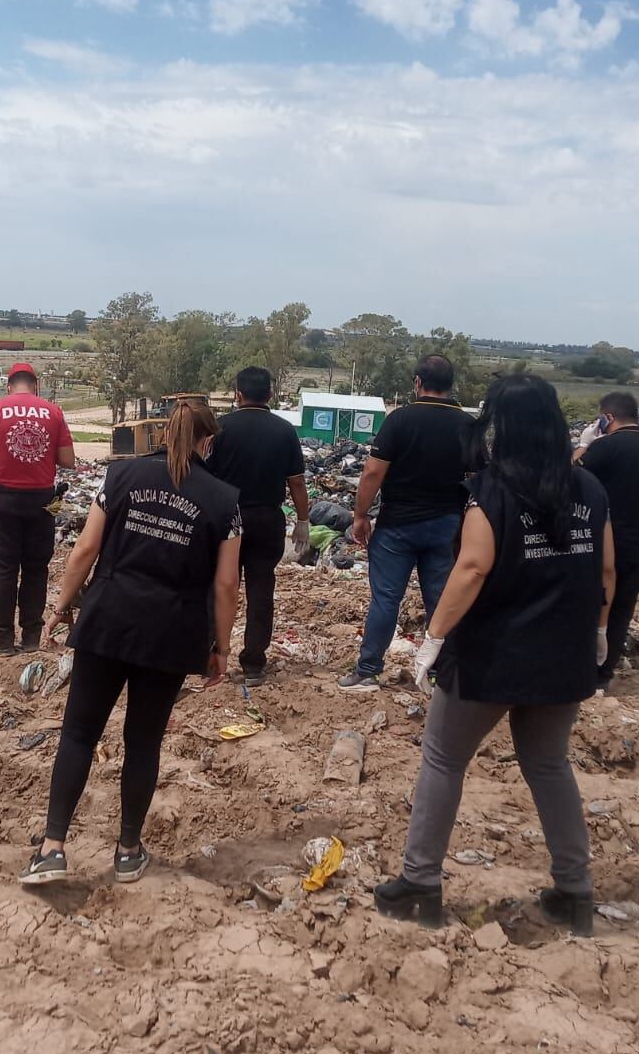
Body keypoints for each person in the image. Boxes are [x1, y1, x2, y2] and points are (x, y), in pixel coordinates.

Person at [374, 374, 614, 936]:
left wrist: (432, 639)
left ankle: (420, 883)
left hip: (493, 656)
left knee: (442, 759)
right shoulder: (589, 490)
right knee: (550, 765)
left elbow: (473, 567)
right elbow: (606, 569)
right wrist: (599, 630)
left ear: (501, 427)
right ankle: (574, 893)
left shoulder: (492, 489)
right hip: (565, 654)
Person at [19, 400, 242, 885]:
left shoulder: (121, 477)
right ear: (209, 442)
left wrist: (60, 608)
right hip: (172, 631)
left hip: (108, 618)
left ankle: (53, 848)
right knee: (143, 742)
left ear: (164, 435)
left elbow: (85, 549)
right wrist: (220, 648)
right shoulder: (225, 500)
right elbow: (226, 586)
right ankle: (127, 851)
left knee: (79, 733)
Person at [339, 355, 476, 693]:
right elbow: (478, 478)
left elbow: (372, 471)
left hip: (396, 526)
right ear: (451, 385)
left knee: (386, 598)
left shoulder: (399, 420)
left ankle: (368, 672)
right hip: (447, 525)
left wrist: (360, 516)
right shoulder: (467, 425)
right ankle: (439, 673)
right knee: (442, 599)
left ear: (417, 382)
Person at [206, 366, 309, 687]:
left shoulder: (220, 429)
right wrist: (303, 520)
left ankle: (211, 654)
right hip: (267, 519)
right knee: (261, 589)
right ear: (270, 394)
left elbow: (205, 479)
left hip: (227, 518)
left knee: (220, 586)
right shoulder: (284, 431)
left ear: (238, 394)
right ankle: (253, 663)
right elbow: (296, 483)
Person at [0, 362, 75, 654]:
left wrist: (1, 461)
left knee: (3, 570)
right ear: (36, 386)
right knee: (35, 570)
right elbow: (67, 460)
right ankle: (31, 637)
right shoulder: (53, 412)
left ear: (8, 386)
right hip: (42, 502)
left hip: (4, 500)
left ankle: (4, 640)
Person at [574, 391, 639, 687]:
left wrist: (583, 444)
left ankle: (577, 669)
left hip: (595, 542)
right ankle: (603, 675)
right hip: (634, 543)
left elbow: (567, 477)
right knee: (620, 609)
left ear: (608, 418)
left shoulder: (602, 448)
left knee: (587, 603)